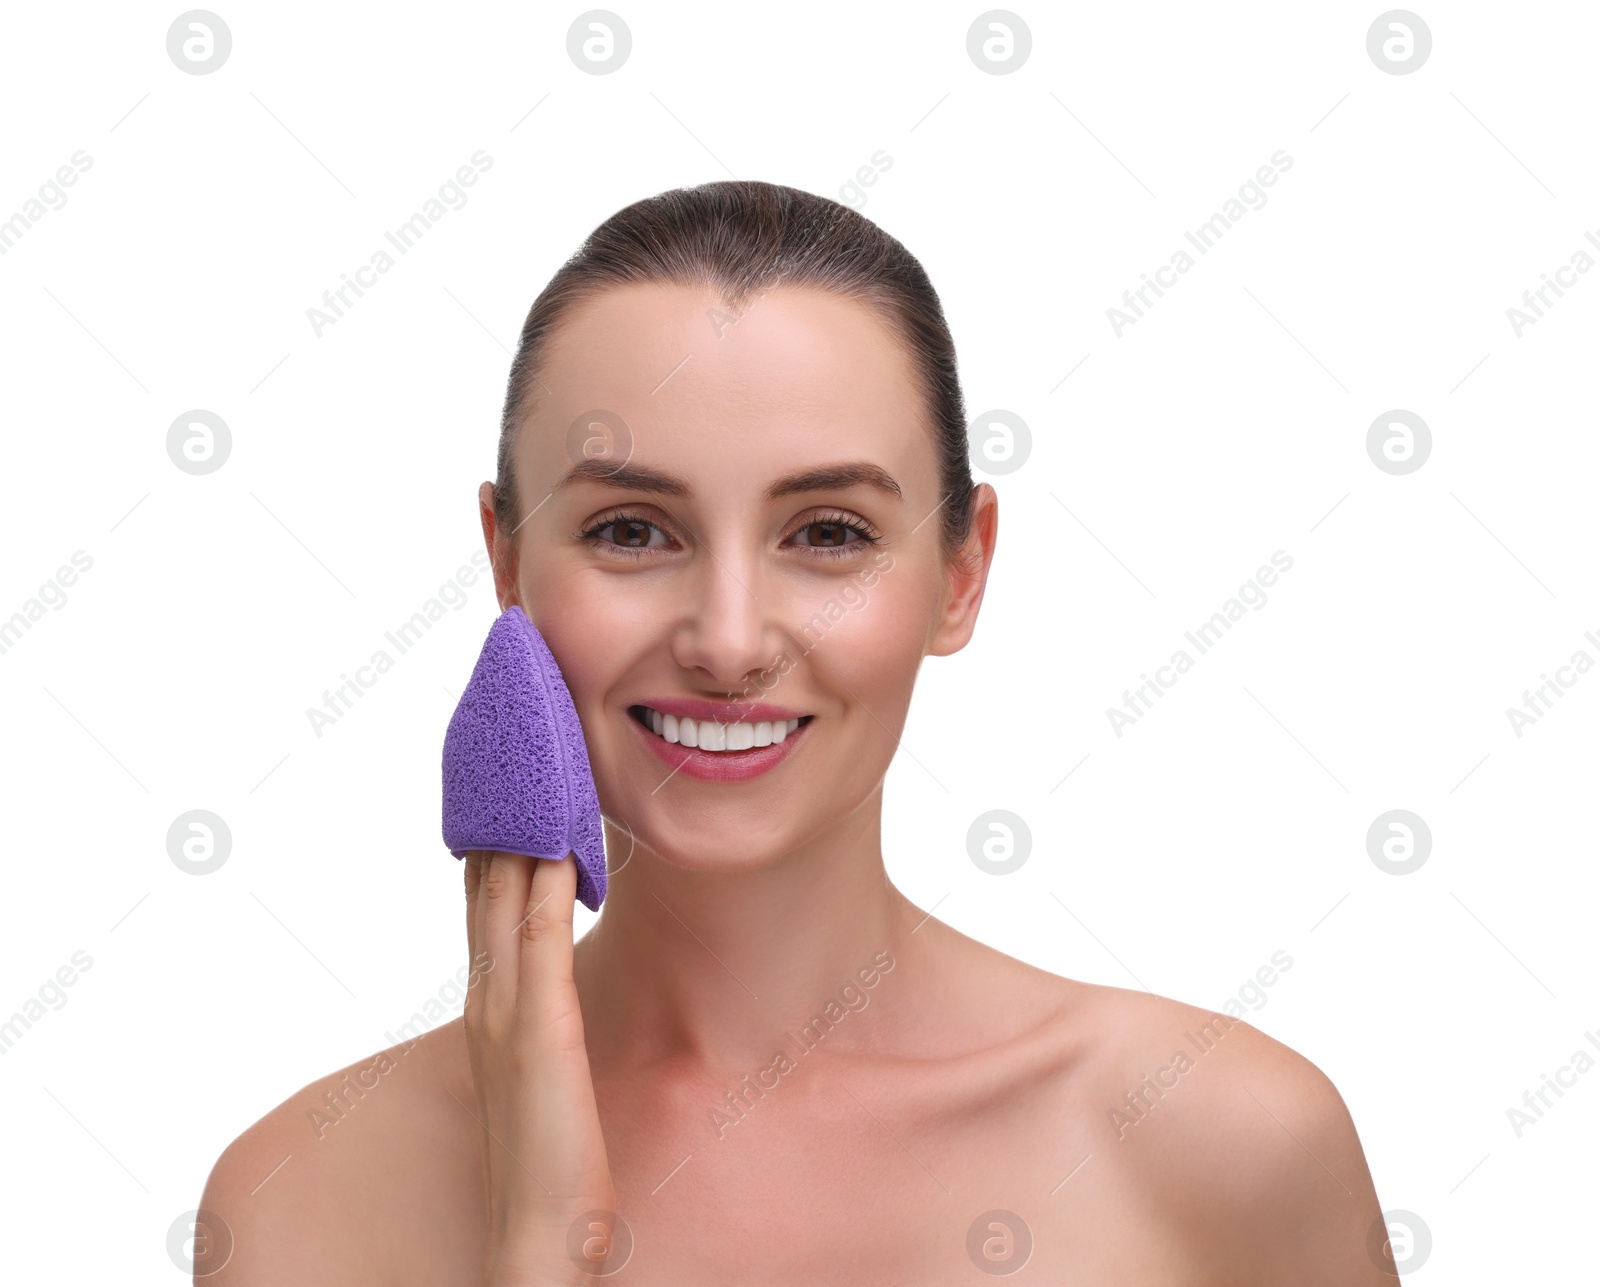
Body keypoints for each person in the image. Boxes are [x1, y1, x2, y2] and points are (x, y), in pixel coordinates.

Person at [199, 181, 1391, 1284]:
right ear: (507, 562)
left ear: (961, 573)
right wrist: (539, 1235)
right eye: (630, 530)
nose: (727, 641)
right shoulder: (296, 1199)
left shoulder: (1223, 1143)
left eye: (827, 533)